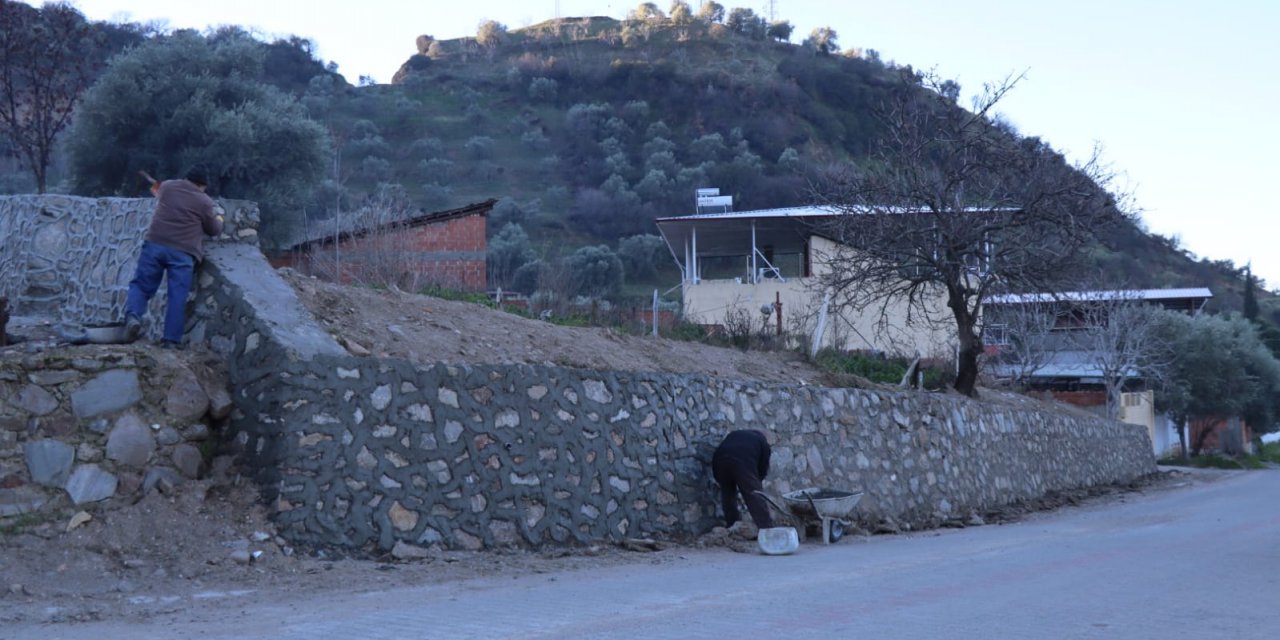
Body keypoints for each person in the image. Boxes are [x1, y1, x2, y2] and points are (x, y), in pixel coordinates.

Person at [123, 167, 223, 349]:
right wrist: (220, 218)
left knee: (141, 285)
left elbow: (157, 191)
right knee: (177, 296)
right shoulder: (204, 201)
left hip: (155, 244)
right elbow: (214, 230)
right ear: (202, 186)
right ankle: (171, 341)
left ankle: (133, 316)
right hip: (182, 253)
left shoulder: (168, 187)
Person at [711, 429, 775, 529]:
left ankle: (732, 525)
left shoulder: (735, 434)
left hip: (720, 461)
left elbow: (720, 450)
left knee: (728, 494)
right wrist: (756, 482)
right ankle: (766, 528)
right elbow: (763, 467)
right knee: (754, 494)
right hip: (741, 463)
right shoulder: (762, 442)